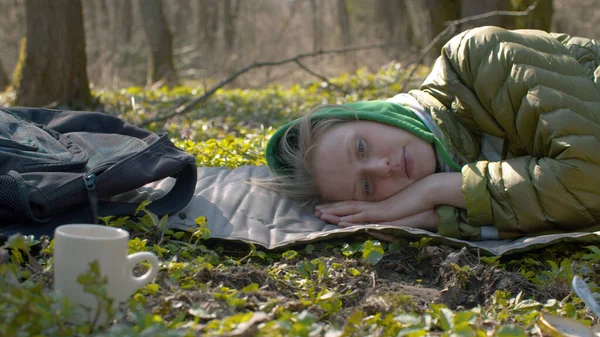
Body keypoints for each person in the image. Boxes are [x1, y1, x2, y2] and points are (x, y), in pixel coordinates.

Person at [263, 26, 600, 241]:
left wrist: (434, 190)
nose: (383, 168)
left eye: (362, 147)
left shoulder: (476, 60)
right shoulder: (457, 173)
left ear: (371, 113)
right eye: (367, 187)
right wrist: (442, 215)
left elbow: (590, 178)